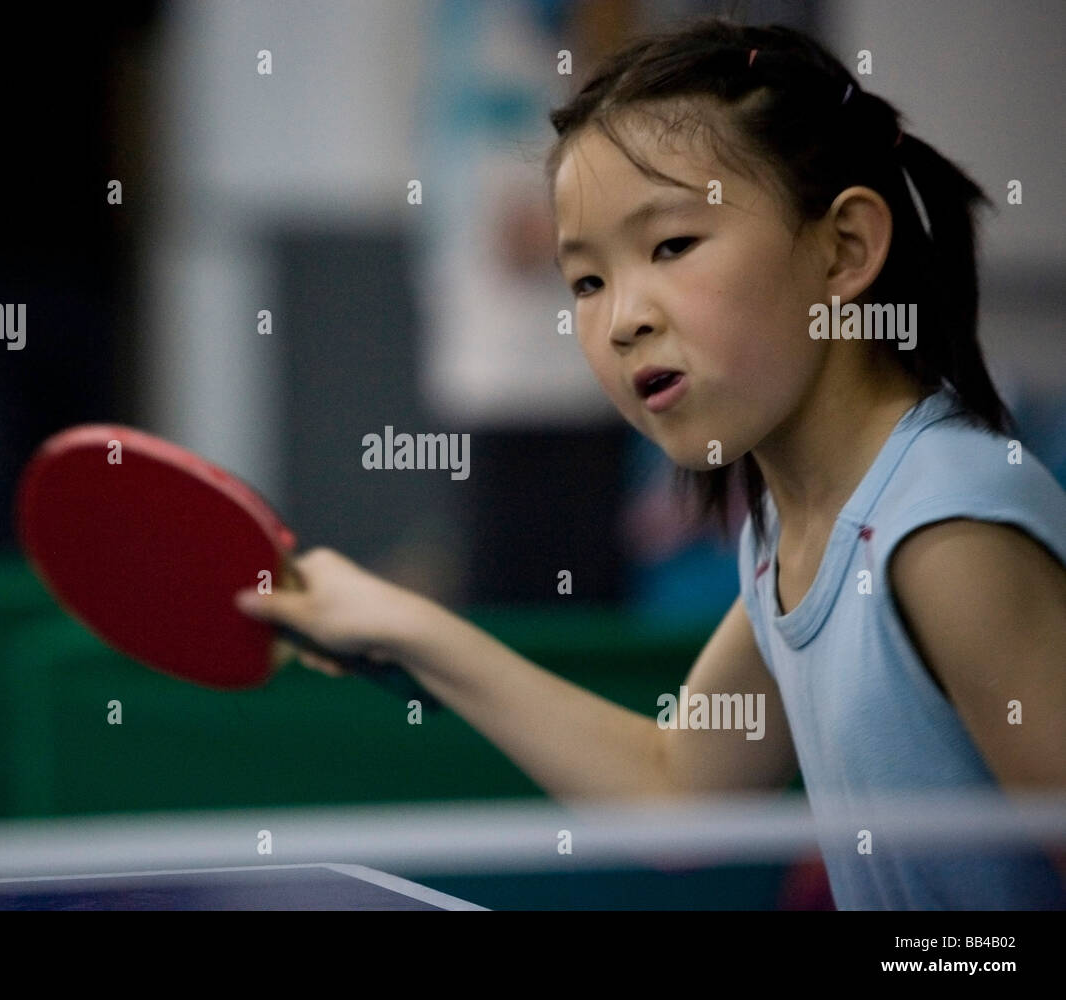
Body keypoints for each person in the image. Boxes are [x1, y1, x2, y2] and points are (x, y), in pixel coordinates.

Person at [236, 18, 1066, 910]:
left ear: (846, 247)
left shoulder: (946, 537)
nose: (621, 317)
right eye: (585, 282)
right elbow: (680, 793)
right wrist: (409, 628)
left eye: (671, 245)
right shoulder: (799, 528)